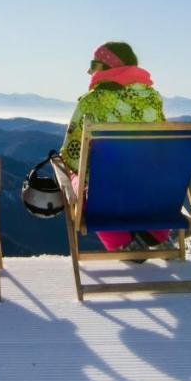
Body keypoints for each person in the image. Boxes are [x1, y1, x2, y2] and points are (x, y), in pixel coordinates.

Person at [59, 41, 172, 254]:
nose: (90, 70)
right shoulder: (153, 98)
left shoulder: (92, 100)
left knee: (75, 177)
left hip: (107, 191)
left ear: (110, 66)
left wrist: (66, 168)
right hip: (152, 190)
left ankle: (122, 242)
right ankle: (157, 234)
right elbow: (163, 145)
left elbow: (73, 152)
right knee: (146, 174)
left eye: (95, 64)